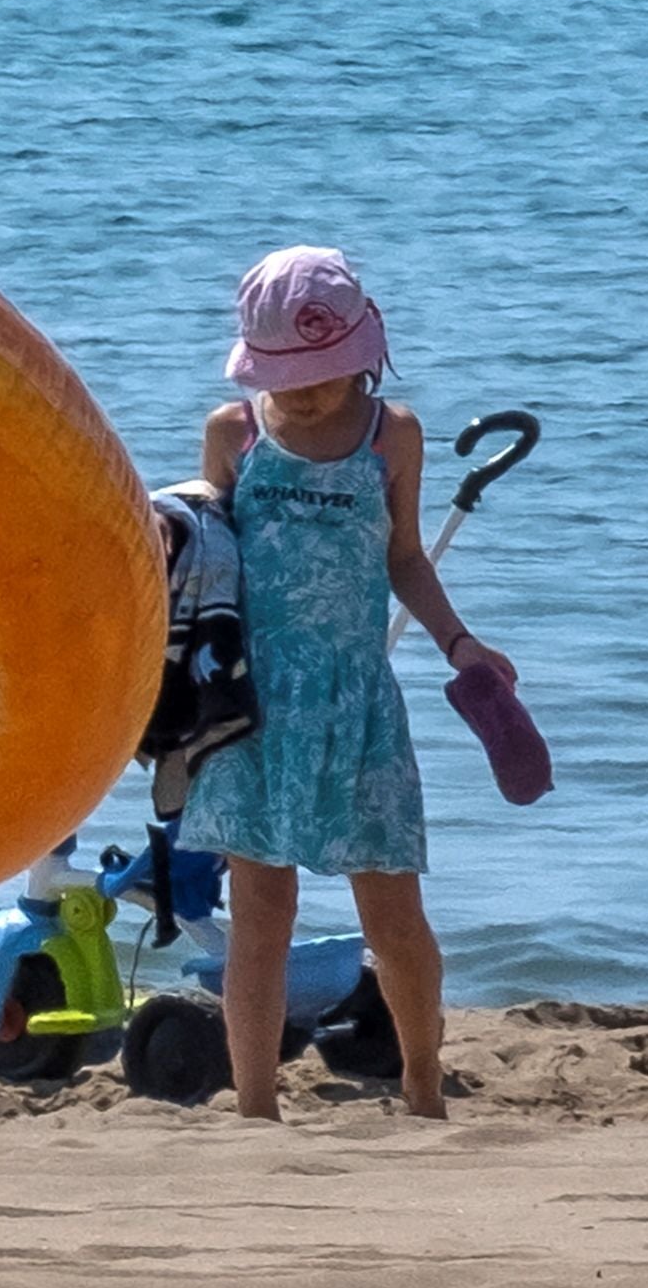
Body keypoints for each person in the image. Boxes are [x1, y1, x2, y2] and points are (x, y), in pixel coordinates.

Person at [186, 248, 511, 1120]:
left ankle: (422, 1083)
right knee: (261, 913)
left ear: (362, 354)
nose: (303, 392)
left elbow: (404, 557)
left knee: (393, 912)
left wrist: (459, 642)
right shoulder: (234, 434)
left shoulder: (389, 434)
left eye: (322, 375)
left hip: (357, 701)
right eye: (286, 375)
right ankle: (255, 1103)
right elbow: (201, 565)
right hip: (251, 706)